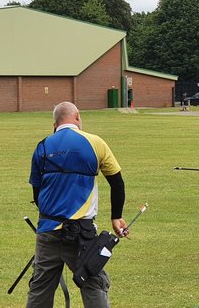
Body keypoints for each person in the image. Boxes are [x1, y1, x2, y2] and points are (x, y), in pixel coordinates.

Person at [27, 102, 128, 308]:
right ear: (78, 117)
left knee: (40, 288)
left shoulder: (43, 147)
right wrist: (116, 217)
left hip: (48, 232)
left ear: (54, 124)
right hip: (82, 232)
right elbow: (116, 181)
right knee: (92, 282)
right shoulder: (95, 142)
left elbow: (37, 194)